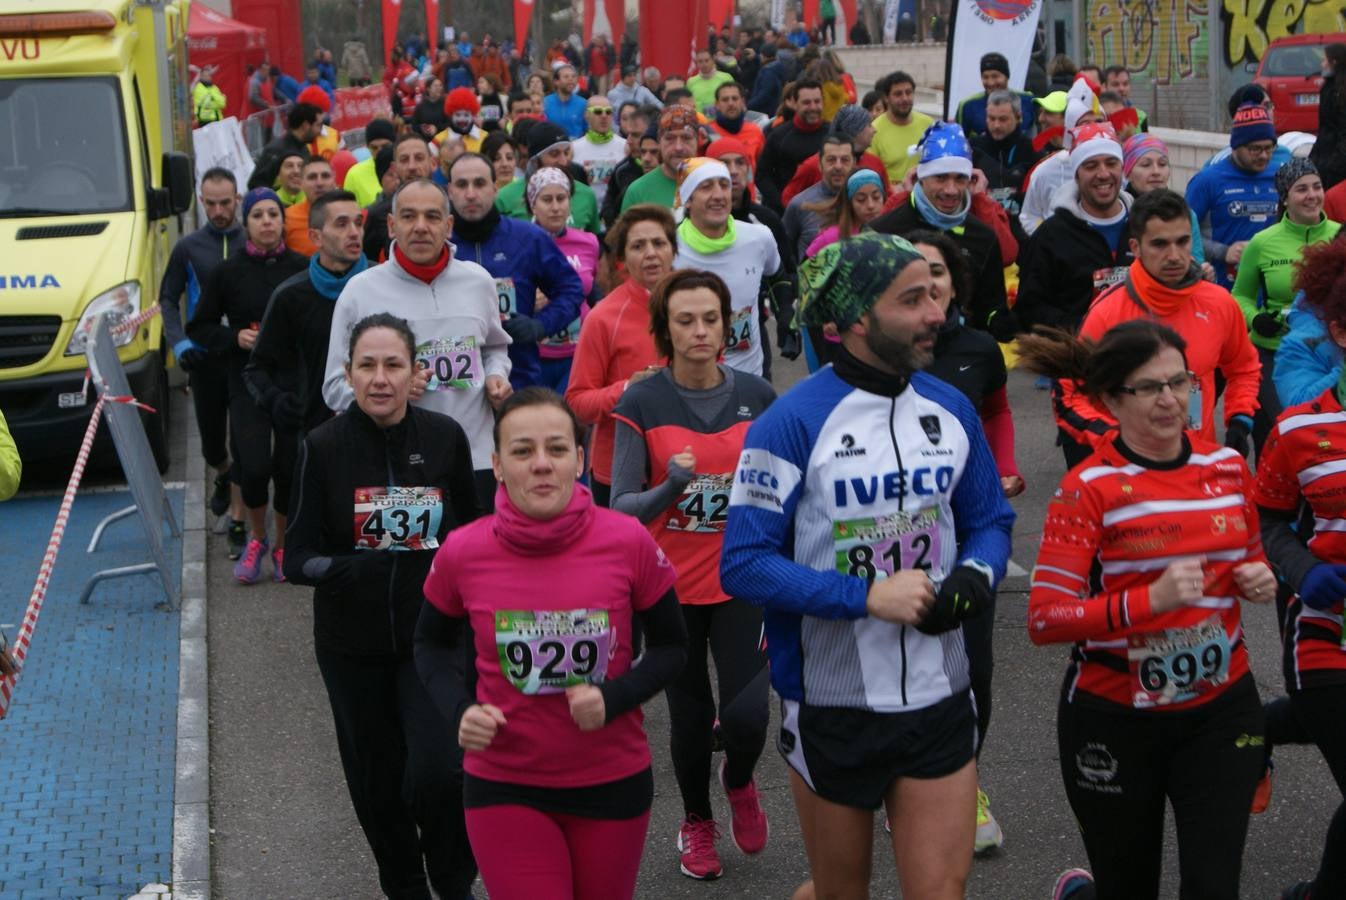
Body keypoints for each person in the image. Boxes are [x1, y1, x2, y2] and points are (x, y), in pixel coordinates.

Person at [720, 231, 1015, 900]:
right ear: (854, 318)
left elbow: (990, 522)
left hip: (940, 694)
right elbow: (743, 564)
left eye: (935, 295)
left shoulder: (950, 408)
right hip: (832, 704)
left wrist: (974, 575)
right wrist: (864, 596)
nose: (936, 313)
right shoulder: (789, 423)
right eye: (911, 300)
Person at [1018, 320, 1275, 900]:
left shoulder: (1227, 469)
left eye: (1179, 383)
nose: (1169, 400)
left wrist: (1258, 578)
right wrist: (1146, 602)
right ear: (1111, 399)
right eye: (1149, 387)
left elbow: (1251, 559)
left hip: (1220, 708)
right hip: (1114, 717)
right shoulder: (1089, 488)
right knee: (1128, 888)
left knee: (1213, 888)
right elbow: (1044, 619)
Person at [414, 388, 689, 900]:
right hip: (505, 783)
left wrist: (612, 698)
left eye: (557, 449)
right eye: (522, 451)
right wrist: (459, 710)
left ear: (580, 460)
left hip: (610, 779)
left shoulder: (627, 540)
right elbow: (430, 643)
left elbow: (674, 647)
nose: (541, 465)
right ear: (496, 465)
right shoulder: (464, 551)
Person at [286, 312, 481, 900]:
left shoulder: (445, 439)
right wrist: (351, 568)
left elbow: (474, 539)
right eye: (366, 365)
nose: (379, 378)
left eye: (392, 364)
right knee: (378, 788)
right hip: (353, 648)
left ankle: (453, 882)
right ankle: (405, 887)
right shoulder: (323, 447)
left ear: (415, 372)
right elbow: (296, 558)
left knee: (440, 773)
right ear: (347, 374)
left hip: (434, 641)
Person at [610, 269, 776, 881]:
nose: (701, 330)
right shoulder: (642, 401)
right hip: (671, 588)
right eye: (686, 320)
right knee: (687, 716)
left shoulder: (759, 395)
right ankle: (697, 820)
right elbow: (619, 506)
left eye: (711, 318)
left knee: (748, 718)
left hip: (742, 578)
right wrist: (671, 487)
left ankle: (738, 780)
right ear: (666, 330)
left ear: (729, 323)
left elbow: (785, 485)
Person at [909, 229, 1022, 856]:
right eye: (913, 273)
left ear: (955, 283)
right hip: (899, 535)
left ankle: (965, 781)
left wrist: (1004, 465)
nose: (927, 284)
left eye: (938, 273)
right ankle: (906, 785)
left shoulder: (979, 347)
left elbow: (999, 412)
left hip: (970, 524)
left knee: (974, 669)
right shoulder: (889, 349)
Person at [324, 178, 513, 508]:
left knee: (473, 557)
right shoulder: (359, 291)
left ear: (449, 225)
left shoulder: (478, 281)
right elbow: (334, 387)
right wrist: (389, 390)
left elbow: (495, 348)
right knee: (406, 558)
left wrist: (497, 376)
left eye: (432, 217)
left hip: (476, 457)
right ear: (392, 225)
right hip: (393, 464)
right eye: (409, 217)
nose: (421, 227)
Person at [1252, 236, 1346, 900]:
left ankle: (1247, 728)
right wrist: (1301, 568)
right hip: (1327, 635)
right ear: (1339, 330)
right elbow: (1268, 520)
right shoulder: (1297, 432)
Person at [1053, 189, 1262, 467]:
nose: (1174, 256)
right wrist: (1109, 437)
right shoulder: (1108, 312)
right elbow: (1070, 391)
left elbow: (1244, 368)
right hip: (1128, 470)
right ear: (1136, 248)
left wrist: (1239, 419)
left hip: (1199, 462)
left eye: (1182, 241)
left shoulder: (1219, 303)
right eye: (1160, 244)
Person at [187, 188, 307, 583]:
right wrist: (234, 336)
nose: (267, 222)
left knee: (289, 468)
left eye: (274, 214)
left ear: (282, 220)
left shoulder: (303, 267)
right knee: (254, 467)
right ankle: (257, 539)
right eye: (259, 216)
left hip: (293, 379)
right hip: (247, 379)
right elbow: (200, 327)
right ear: (247, 223)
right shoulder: (228, 271)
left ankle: (283, 545)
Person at [565, 205, 675, 507]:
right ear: (623, 259)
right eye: (638, 246)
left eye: (659, 243)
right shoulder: (603, 317)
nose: (651, 253)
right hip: (621, 471)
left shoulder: (697, 307)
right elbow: (578, 404)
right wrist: (628, 389)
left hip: (683, 464)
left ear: (673, 250)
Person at [160, 168, 246, 552]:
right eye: (210, 203)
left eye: (225, 202)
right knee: (213, 445)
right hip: (204, 359)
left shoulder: (252, 241)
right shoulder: (188, 247)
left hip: (244, 358)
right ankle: (224, 475)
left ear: (237, 199)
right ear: (201, 201)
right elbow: (167, 300)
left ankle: (240, 523)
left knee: (247, 440)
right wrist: (178, 344)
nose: (218, 211)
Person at [446, 154, 585, 389]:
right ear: (449, 191)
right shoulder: (438, 243)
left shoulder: (528, 238)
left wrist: (540, 325)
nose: (470, 193)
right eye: (462, 185)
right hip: (457, 383)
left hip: (518, 377)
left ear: (494, 188)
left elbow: (571, 289)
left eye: (479, 184)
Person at [1233, 158, 1339, 455]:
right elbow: (1239, 295)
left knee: (1327, 437)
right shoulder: (1262, 242)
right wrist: (1255, 319)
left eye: (1317, 187)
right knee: (1292, 431)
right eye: (1301, 189)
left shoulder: (1339, 236)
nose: (1312, 195)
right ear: (1284, 197)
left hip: (1329, 355)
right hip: (1274, 352)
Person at [869, 121, 1011, 336]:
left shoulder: (983, 236)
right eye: (941, 177)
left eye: (960, 178)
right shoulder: (884, 231)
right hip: (896, 350)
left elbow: (991, 307)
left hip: (958, 354)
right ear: (922, 177)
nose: (951, 190)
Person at [247, 190, 368, 437]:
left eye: (358, 222)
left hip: (378, 430)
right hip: (313, 434)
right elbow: (257, 368)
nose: (354, 232)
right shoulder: (290, 296)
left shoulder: (384, 285)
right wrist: (277, 401)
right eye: (342, 224)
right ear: (315, 236)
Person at [1015, 123, 1134, 339]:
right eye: (1090, 166)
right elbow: (1029, 308)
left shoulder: (1144, 224)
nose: (1103, 174)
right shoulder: (1052, 235)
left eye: (1111, 163)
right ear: (1076, 175)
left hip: (1140, 356)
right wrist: (1086, 328)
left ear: (1122, 168)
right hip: (1072, 359)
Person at [673, 158, 783, 380]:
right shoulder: (668, 248)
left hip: (751, 377)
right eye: (706, 187)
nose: (718, 195)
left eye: (724, 185)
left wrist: (786, 315)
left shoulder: (758, 236)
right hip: (690, 381)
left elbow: (778, 277)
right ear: (687, 199)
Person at [1186, 102, 1281, 289]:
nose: (1264, 155)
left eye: (1269, 148)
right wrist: (1224, 251)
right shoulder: (1207, 181)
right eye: (1255, 149)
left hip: (1268, 287)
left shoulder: (1278, 176)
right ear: (1236, 146)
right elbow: (1182, 234)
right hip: (1222, 287)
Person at [526, 168, 601, 393]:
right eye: (547, 200)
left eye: (562, 198)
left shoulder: (589, 242)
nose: (556, 207)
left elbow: (592, 289)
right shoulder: (520, 242)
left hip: (579, 352)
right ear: (533, 204)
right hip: (535, 353)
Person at [1019, 77, 1105, 236]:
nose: (1094, 130)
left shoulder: (1118, 168)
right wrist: (1049, 242)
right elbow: (1028, 216)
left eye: (1100, 122)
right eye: (1085, 124)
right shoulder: (1045, 171)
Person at [496, 122, 601, 234]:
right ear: (535, 161)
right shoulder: (504, 198)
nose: (563, 161)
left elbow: (594, 245)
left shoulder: (586, 194)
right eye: (554, 154)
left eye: (566, 153)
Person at [1121, 134, 1208, 268]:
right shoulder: (1118, 212)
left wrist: (1201, 271)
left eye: (1162, 164)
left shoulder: (1185, 213)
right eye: (1146, 165)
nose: (1156, 171)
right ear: (1128, 173)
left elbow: (1196, 260)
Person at [780, 104, 889, 208]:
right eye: (869, 125)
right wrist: (811, 217)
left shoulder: (875, 163)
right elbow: (788, 197)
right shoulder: (813, 164)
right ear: (855, 130)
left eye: (845, 160)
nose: (874, 130)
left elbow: (888, 198)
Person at [756, 79, 828, 212]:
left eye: (817, 102)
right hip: (786, 212)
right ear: (795, 104)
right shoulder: (778, 135)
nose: (813, 107)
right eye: (806, 102)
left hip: (827, 212)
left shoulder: (833, 134)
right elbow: (761, 175)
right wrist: (781, 202)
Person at [363, 135, 438, 263]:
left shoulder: (451, 205)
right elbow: (368, 263)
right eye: (404, 160)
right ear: (394, 167)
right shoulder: (378, 214)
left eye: (419, 158)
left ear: (432, 163)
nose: (412, 166)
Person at [783, 133, 856, 260]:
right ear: (819, 164)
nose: (838, 166)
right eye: (831, 160)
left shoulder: (865, 204)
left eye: (845, 160)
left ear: (854, 164)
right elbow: (784, 253)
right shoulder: (800, 205)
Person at [970, 90, 1036, 227]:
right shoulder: (972, 149)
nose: (996, 125)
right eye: (991, 118)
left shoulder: (1032, 150)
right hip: (982, 227)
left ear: (1019, 117)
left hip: (1021, 227)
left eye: (1003, 119)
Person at [622, 107, 699, 212]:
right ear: (659, 142)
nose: (678, 147)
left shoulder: (714, 185)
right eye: (669, 138)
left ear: (697, 141)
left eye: (686, 138)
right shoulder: (638, 191)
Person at [869, 71, 934, 186]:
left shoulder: (928, 124)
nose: (904, 98)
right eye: (898, 94)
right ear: (886, 98)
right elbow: (871, 175)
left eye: (908, 93)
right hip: (893, 199)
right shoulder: (874, 130)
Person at [954, 53, 1036, 139]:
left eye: (995, 76)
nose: (990, 82)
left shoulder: (1028, 100)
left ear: (1006, 77)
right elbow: (959, 144)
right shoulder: (967, 106)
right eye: (985, 77)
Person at [570, 95, 628, 209]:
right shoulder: (573, 148)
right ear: (586, 115)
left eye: (608, 112)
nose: (604, 116)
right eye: (597, 112)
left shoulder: (625, 146)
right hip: (585, 210)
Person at [283, 156, 335, 256]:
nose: (319, 183)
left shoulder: (352, 214)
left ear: (334, 180)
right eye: (312, 177)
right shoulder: (287, 219)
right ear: (301, 183)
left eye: (325, 176)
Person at [1311, 43, 1346, 190]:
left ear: (1334, 62)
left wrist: (1333, 165)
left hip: (1334, 165)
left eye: (1325, 60)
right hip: (1326, 159)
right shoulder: (1330, 87)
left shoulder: (1337, 91)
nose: (1322, 64)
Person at [344, 119, 398, 208]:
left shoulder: (406, 168)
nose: (380, 151)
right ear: (367, 147)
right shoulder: (354, 174)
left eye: (385, 146)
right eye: (374, 148)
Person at [708, 81, 765, 163]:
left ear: (742, 102)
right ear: (717, 105)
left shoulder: (755, 131)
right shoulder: (707, 132)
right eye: (725, 100)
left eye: (735, 98)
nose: (730, 103)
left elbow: (762, 167)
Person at [544, 64, 588, 139]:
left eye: (573, 76)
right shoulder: (545, 102)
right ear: (556, 81)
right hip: (552, 147)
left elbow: (587, 130)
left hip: (575, 147)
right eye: (566, 77)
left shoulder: (583, 103)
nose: (571, 79)